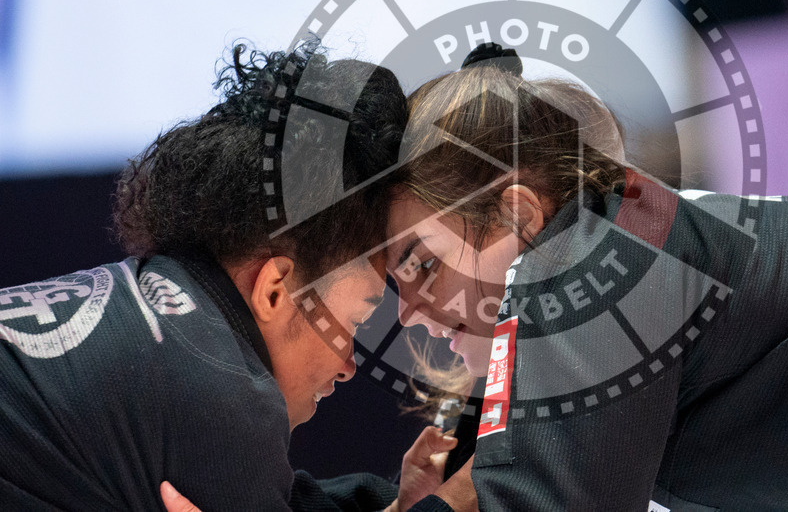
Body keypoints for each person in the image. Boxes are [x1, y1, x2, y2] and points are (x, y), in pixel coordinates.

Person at [384, 43, 788, 511]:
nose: (409, 311)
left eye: (423, 263)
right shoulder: (620, 238)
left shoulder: (587, 268)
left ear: (517, 215)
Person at [0, 41, 471, 511]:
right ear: (274, 290)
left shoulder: (158, 316)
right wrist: (452, 502)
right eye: (355, 321)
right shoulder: (223, 394)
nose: (349, 365)